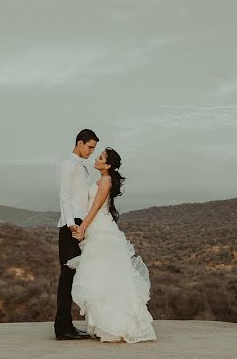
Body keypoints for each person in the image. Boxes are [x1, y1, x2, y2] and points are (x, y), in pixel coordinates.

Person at [66, 147, 156, 343]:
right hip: (97, 229)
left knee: (105, 274)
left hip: (101, 230)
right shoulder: (101, 179)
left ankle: (115, 324)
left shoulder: (106, 180)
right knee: (100, 274)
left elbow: (96, 207)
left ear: (107, 165)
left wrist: (82, 228)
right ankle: (101, 324)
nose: (96, 159)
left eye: (100, 158)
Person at [53, 128, 97, 340]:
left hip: (80, 225)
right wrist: (71, 225)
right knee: (67, 276)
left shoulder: (81, 166)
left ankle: (66, 325)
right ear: (80, 143)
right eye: (90, 147)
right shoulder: (67, 164)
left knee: (73, 277)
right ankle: (62, 328)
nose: (91, 152)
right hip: (70, 227)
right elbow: (65, 197)